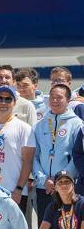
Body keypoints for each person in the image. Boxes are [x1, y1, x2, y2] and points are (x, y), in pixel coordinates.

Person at [32, 84, 83, 221]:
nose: (54, 101)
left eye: (59, 98)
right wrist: (43, 179)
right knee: (45, 228)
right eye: (52, 97)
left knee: (67, 228)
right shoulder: (39, 125)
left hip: (67, 187)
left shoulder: (77, 124)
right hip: (44, 187)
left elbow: (77, 156)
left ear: (67, 100)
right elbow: (34, 156)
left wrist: (60, 180)